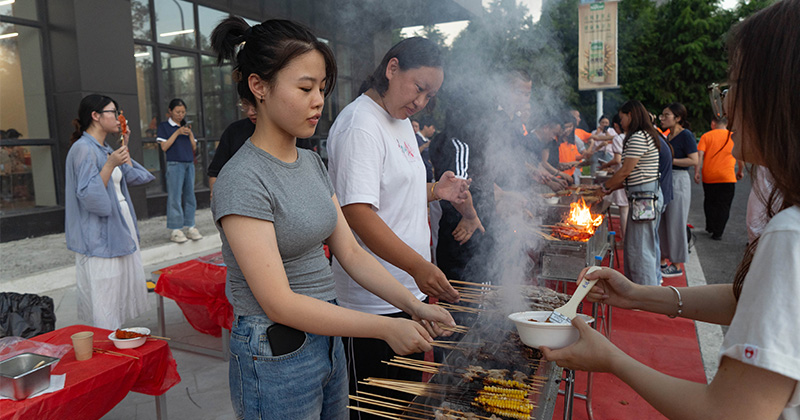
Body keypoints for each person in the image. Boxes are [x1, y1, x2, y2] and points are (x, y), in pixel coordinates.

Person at [542, 3, 800, 418]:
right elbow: (751, 300)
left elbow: (730, 413)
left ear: (780, 94)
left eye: (733, 88)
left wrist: (611, 359)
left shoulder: (791, 233)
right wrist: (638, 295)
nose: (727, 110)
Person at [209, 19, 456, 420]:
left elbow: (351, 254)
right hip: (275, 355)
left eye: (322, 88)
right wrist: (383, 328)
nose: (318, 100)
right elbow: (279, 302)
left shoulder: (310, 162)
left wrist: (413, 305)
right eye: (305, 88)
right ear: (259, 86)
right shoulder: (242, 179)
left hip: (327, 341)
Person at [325, 37, 469, 419]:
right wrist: (418, 267)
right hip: (372, 301)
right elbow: (359, 213)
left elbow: (392, 191)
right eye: (419, 89)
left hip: (406, 293)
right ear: (392, 69)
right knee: (375, 411)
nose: (421, 102)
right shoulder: (361, 125)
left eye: (430, 96)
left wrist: (437, 190)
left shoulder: (400, 120)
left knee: (404, 407)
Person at [64, 94, 155, 330]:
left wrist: (123, 144)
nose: (118, 117)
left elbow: (134, 176)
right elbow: (88, 195)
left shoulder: (104, 148)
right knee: (105, 292)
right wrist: (110, 164)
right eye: (113, 112)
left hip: (118, 224)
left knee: (117, 291)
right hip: (99, 231)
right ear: (96, 116)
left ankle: (116, 340)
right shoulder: (82, 149)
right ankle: (109, 345)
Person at [599, 100, 662, 286]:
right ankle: (643, 285)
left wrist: (604, 188)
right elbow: (632, 175)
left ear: (631, 115)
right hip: (644, 194)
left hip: (644, 196)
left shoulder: (638, 137)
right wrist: (610, 187)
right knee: (641, 243)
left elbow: (626, 171)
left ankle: (644, 289)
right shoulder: (645, 135)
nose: (621, 121)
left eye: (623, 116)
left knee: (640, 245)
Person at [658, 102, 698, 277]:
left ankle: (677, 263)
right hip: (667, 178)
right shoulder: (668, 136)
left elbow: (693, 160)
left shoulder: (686, 135)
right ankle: (664, 259)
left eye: (666, 115)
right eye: (662, 115)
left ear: (678, 118)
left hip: (679, 179)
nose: (662, 118)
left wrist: (670, 161)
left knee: (677, 221)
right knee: (664, 221)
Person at [157, 98, 202, 243]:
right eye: (177, 112)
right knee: (175, 196)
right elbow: (164, 147)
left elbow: (194, 148)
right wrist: (177, 133)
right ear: (170, 111)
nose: (180, 115)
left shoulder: (186, 126)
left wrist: (189, 134)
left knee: (190, 196)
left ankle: (190, 226)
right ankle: (175, 229)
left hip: (189, 163)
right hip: (175, 164)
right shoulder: (164, 127)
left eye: (183, 112)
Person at [694, 117, 743, 240]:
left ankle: (710, 226)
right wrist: (740, 170)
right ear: (727, 124)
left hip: (709, 176)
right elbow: (740, 156)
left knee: (710, 201)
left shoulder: (706, 136)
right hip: (727, 177)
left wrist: (697, 171)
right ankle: (718, 231)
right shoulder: (733, 137)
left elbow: (700, 154)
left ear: (713, 123)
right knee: (724, 205)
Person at [207, 98, 257, 197]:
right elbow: (215, 172)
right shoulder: (234, 131)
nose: (250, 112)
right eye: (245, 105)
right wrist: (216, 197)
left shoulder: (290, 132)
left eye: (255, 106)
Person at [598, 114, 629, 237]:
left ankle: (624, 239)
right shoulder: (633, 136)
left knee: (624, 209)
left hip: (622, 174)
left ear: (616, 125)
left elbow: (617, 160)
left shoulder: (618, 138)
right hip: (633, 175)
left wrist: (605, 165)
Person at [415, 116, 436, 182]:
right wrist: (424, 146)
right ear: (425, 127)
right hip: (419, 178)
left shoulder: (427, 140)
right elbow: (413, 154)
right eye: (433, 128)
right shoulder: (416, 138)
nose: (434, 131)